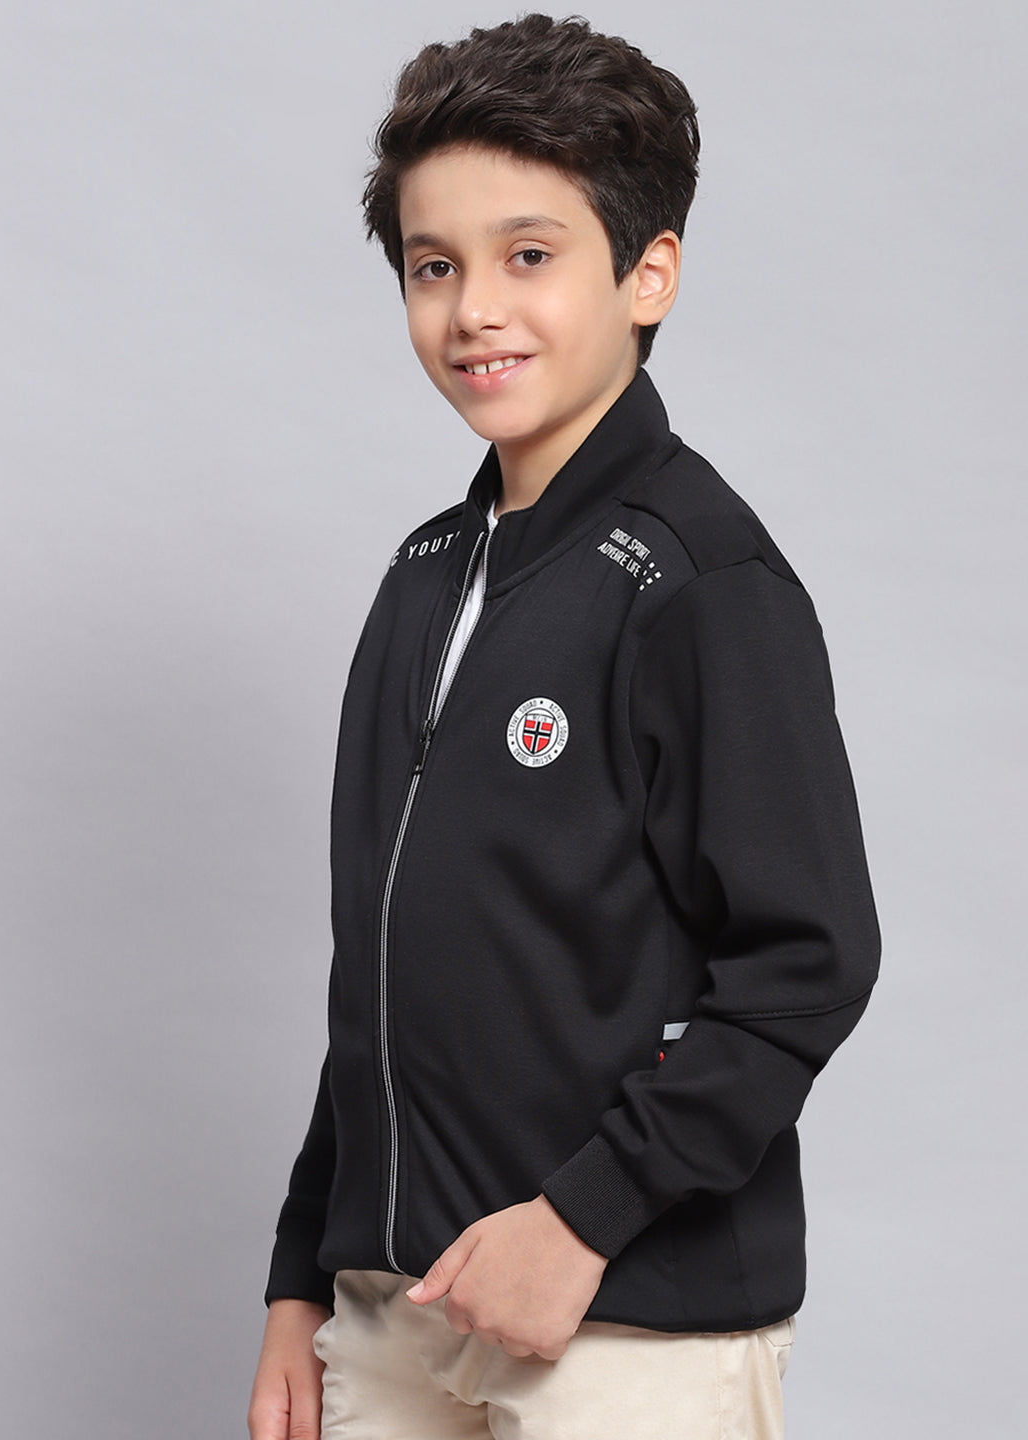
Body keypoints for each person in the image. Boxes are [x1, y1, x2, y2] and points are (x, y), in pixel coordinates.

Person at [247, 14, 880, 1439]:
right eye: (434, 266)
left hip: (625, 1322)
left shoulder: (702, 583)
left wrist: (585, 1217)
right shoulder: (423, 580)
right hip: (397, 1312)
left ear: (648, 271)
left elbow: (807, 962)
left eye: (528, 255)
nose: (475, 308)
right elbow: (383, 981)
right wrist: (302, 1273)